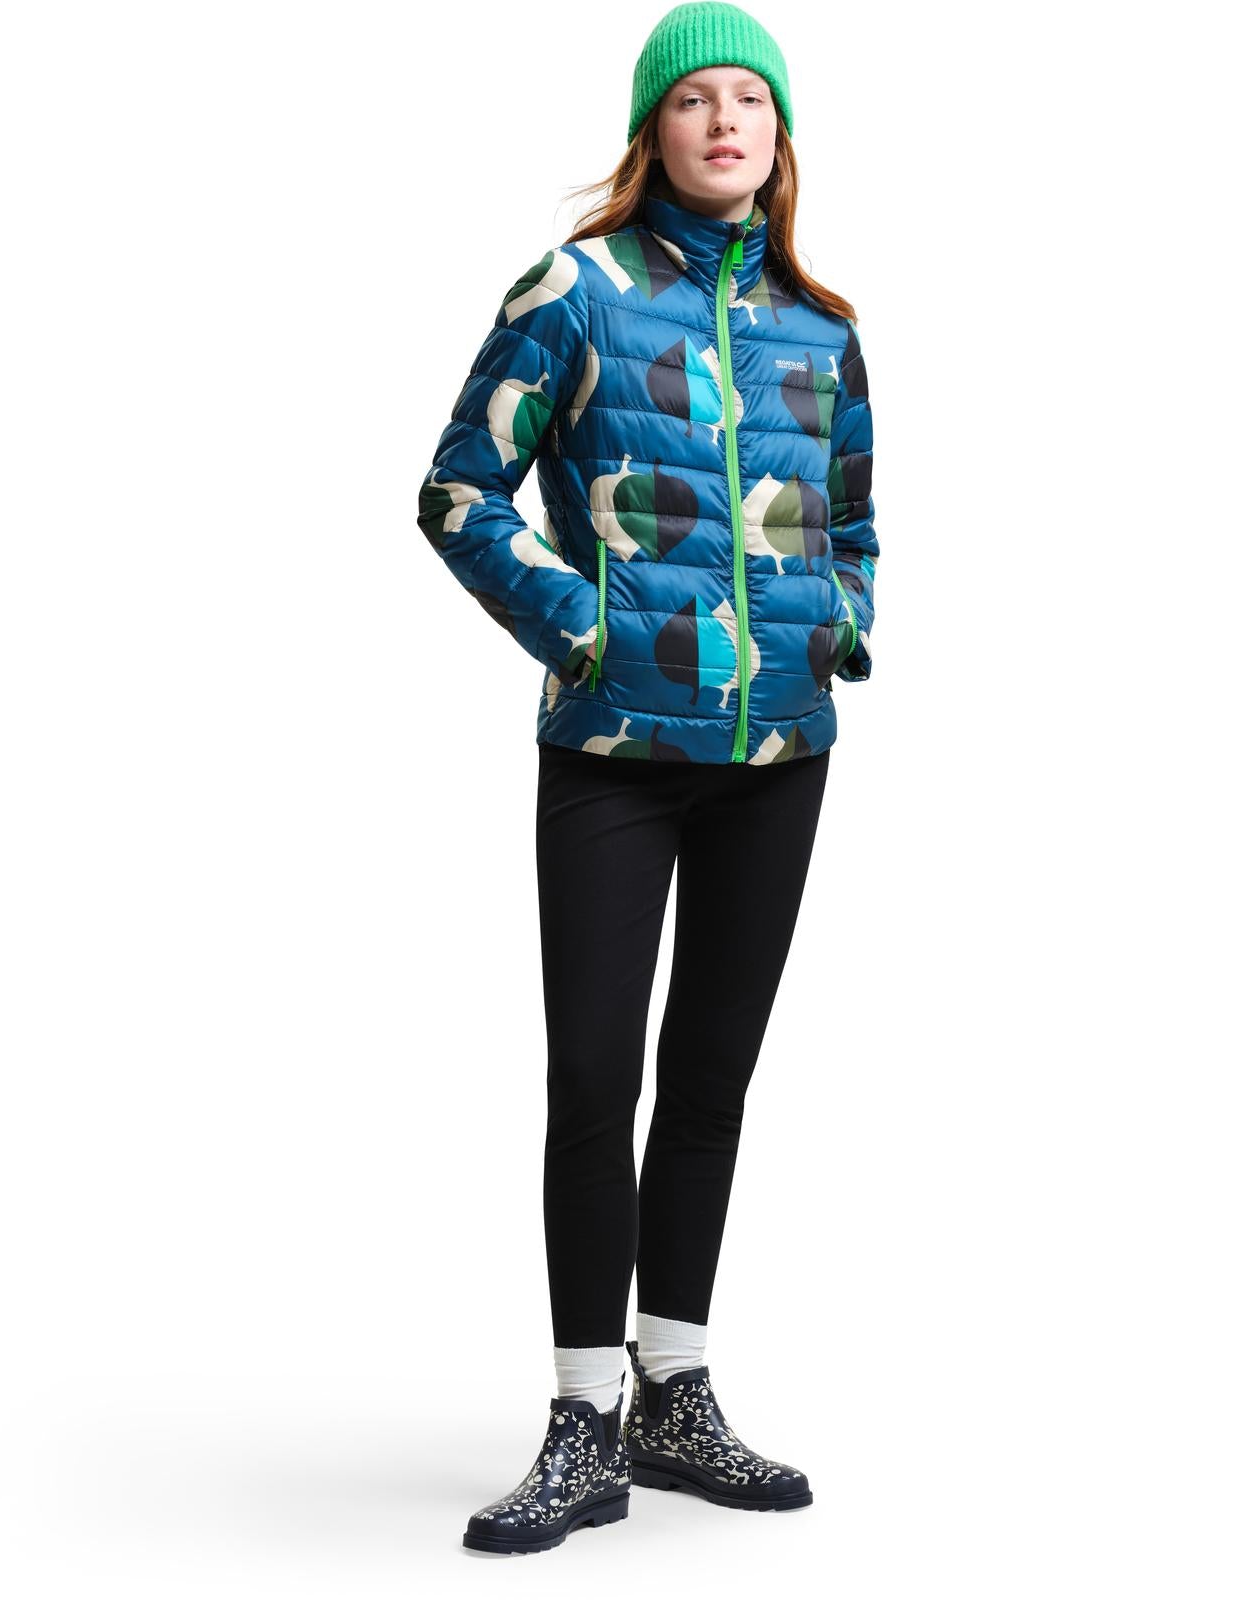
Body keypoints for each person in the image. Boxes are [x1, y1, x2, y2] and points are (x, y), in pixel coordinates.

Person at [415, 1, 880, 1556]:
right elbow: (459, 491)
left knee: (712, 1083)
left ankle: (676, 1391)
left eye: (752, 98)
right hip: (614, 757)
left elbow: (852, 517)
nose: (725, 120)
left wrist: (838, 630)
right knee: (594, 1082)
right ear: (653, 131)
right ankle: (581, 1419)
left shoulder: (822, 326)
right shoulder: (578, 292)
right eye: (696, 100)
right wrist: (585, 630)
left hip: (776, 760)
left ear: (779, 135)